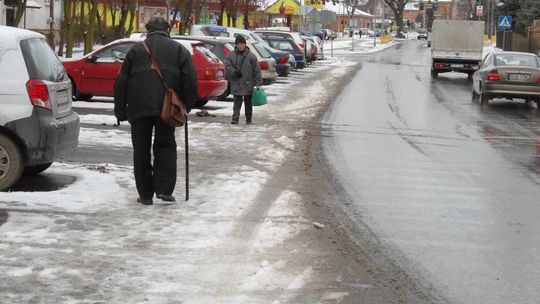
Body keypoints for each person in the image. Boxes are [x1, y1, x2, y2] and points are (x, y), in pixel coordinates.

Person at [114, 16, 197, 205]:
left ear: (148, 29)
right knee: (165, 145)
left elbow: (121, 82)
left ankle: (145, 194)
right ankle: (164, 190)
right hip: (167, 108)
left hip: (138, 108)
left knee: (141, 150)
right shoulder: (179, 50)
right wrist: (186, 105)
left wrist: (120, 110)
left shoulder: (135, 50)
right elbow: (190, 81)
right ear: (167, 30)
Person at [224, 35, 261, 125]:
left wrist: (258, 82)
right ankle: (235, 119)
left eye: (242, 44)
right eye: (238, 44)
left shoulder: (252, 56)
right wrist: (234, 72)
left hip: (248, 83)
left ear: (245, 44)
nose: (240, 46)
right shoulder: (231, 55)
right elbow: (228, 66)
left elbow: (257, 70)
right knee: (237, 102)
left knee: (248, 103)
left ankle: (248, 119)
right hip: (236, 82)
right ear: (236, 45)